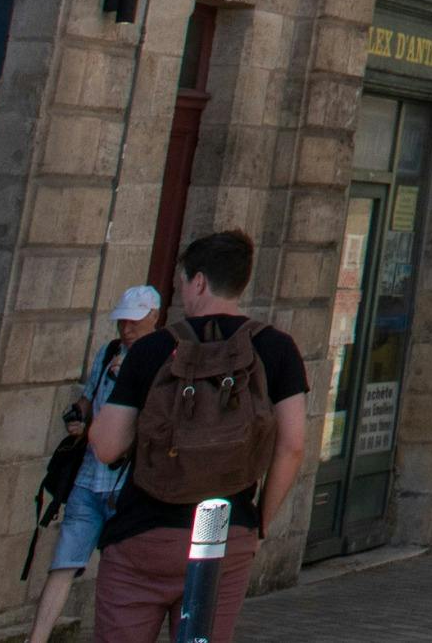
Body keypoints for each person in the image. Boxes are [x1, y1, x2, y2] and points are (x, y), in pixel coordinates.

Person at [86, 231, 310, 643]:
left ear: (200, 282)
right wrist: (258, 523)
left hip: (145, 532)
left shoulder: (152, 349)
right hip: (226, 534)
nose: (183, 294)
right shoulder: (277, 349)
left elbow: (107, 446)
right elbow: (293, 445)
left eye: (184, 284)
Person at [25, 287, 162, 643]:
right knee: (64, 561)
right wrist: (76, 417)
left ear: (153, 317)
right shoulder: (109, 352)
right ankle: (36, 638)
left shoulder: (163, 358)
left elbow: (153, 417)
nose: (126, 329)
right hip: (89, 475)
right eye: (122, 321)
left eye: (134, 321)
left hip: (127, 481)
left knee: (121, 571)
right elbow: (87, 400)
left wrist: (125, 378)